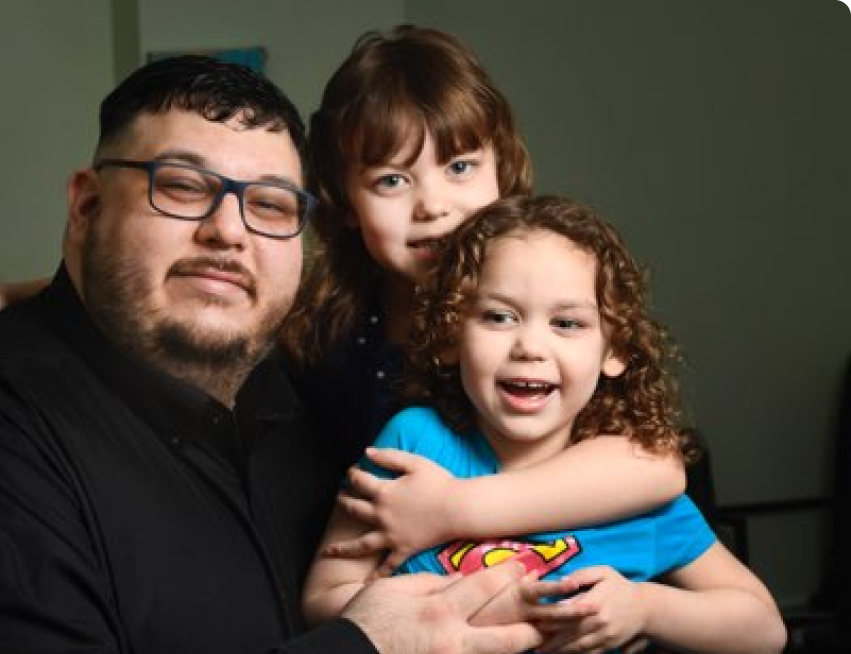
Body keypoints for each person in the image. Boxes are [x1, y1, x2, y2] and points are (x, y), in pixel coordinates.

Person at [0, 55, 603, 654]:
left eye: (268, 205)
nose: (229, 232)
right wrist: (364, 646)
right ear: (87, 207)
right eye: (183, 187)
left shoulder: (294, 385)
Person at [0, 26, 687, 575]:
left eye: (458, 168)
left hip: (545, 570)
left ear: (505, 170)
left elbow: (657, 468)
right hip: (363, 579)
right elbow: (201, 303)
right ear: (341, 201)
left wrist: (459, 514)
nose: (431, 206)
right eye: (391, 179)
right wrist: (43, 293)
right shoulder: (328, 315)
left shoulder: (552, 310)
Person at [303, 195, 788, 654]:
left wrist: (646, 608)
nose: (530, 346)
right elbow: (323, 599)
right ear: (452, 334)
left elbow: (763, 629)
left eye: (567, 324)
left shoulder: (630, 490)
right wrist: (442, 609)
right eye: (498, 316)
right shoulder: (415, 444)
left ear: (614, 351)